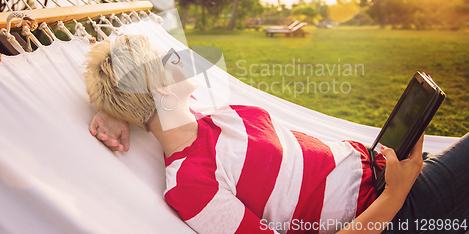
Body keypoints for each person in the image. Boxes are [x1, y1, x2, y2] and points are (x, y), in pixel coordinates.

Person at [83, 34, 469, 234]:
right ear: (160, 88)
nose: (179, 57)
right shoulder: (190, 184)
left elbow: (130, 82)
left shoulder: (209, 121)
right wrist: (396, 195)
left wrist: (113, 108)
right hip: (392, 212)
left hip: (385, 171)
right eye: (165, 61)